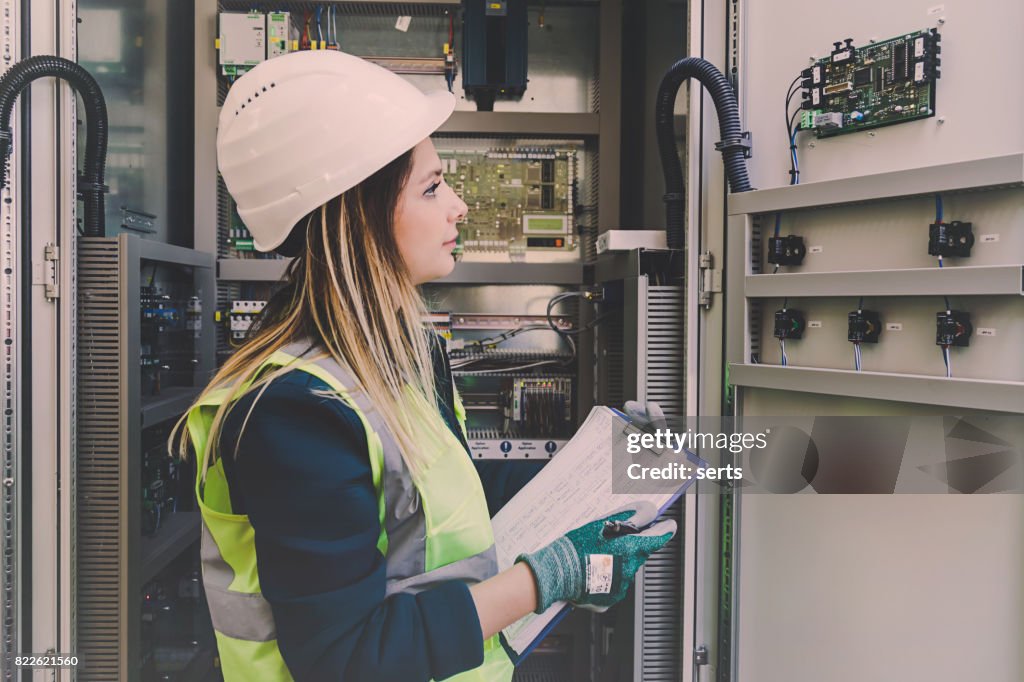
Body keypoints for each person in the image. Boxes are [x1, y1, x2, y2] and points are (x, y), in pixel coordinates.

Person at [174, 50, 676, 682]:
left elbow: (440, 514)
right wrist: (544, 580)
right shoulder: (295, 413)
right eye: (433, 186)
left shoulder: (400, 357)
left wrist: (590, 482)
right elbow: (346, 658)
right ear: (356, 214)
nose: (460, 206)